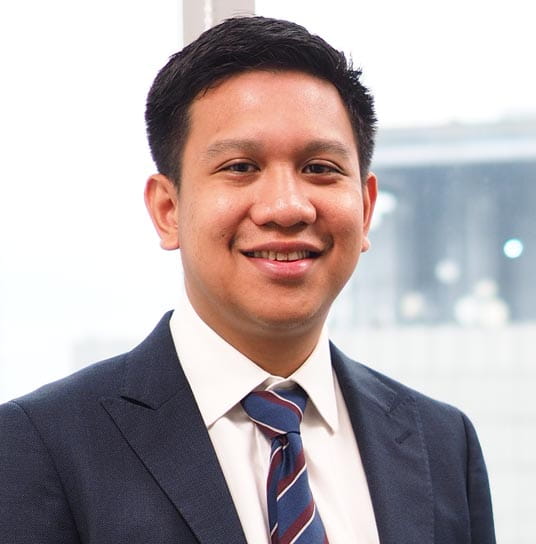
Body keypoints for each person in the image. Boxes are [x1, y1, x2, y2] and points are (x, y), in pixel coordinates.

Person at [0, 16, 495, 544]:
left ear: (366, 207)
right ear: (168, 210)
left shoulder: (443, 443)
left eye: (319, 168)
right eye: (240, 167)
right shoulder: (39, 446)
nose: (287, 207)